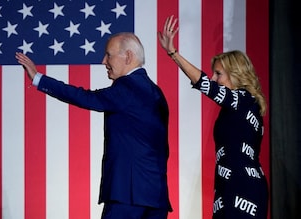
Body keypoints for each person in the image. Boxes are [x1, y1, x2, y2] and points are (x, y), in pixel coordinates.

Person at [16, 32, 172, 219]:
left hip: (128, 195)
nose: (103, 61)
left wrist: (38, 78)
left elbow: (87, 98)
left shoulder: (127, 87)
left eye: (109, 54)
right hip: (156, 196)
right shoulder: (156, 92)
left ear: (128, 56)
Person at [158, 16, 268, 218]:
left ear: (236, 75)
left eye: (218, 74)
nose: (213, 78)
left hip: (242, 189)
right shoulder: (242, 105)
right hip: (229, 187)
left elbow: (204, 84)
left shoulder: (242, 99)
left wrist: (173, 53)